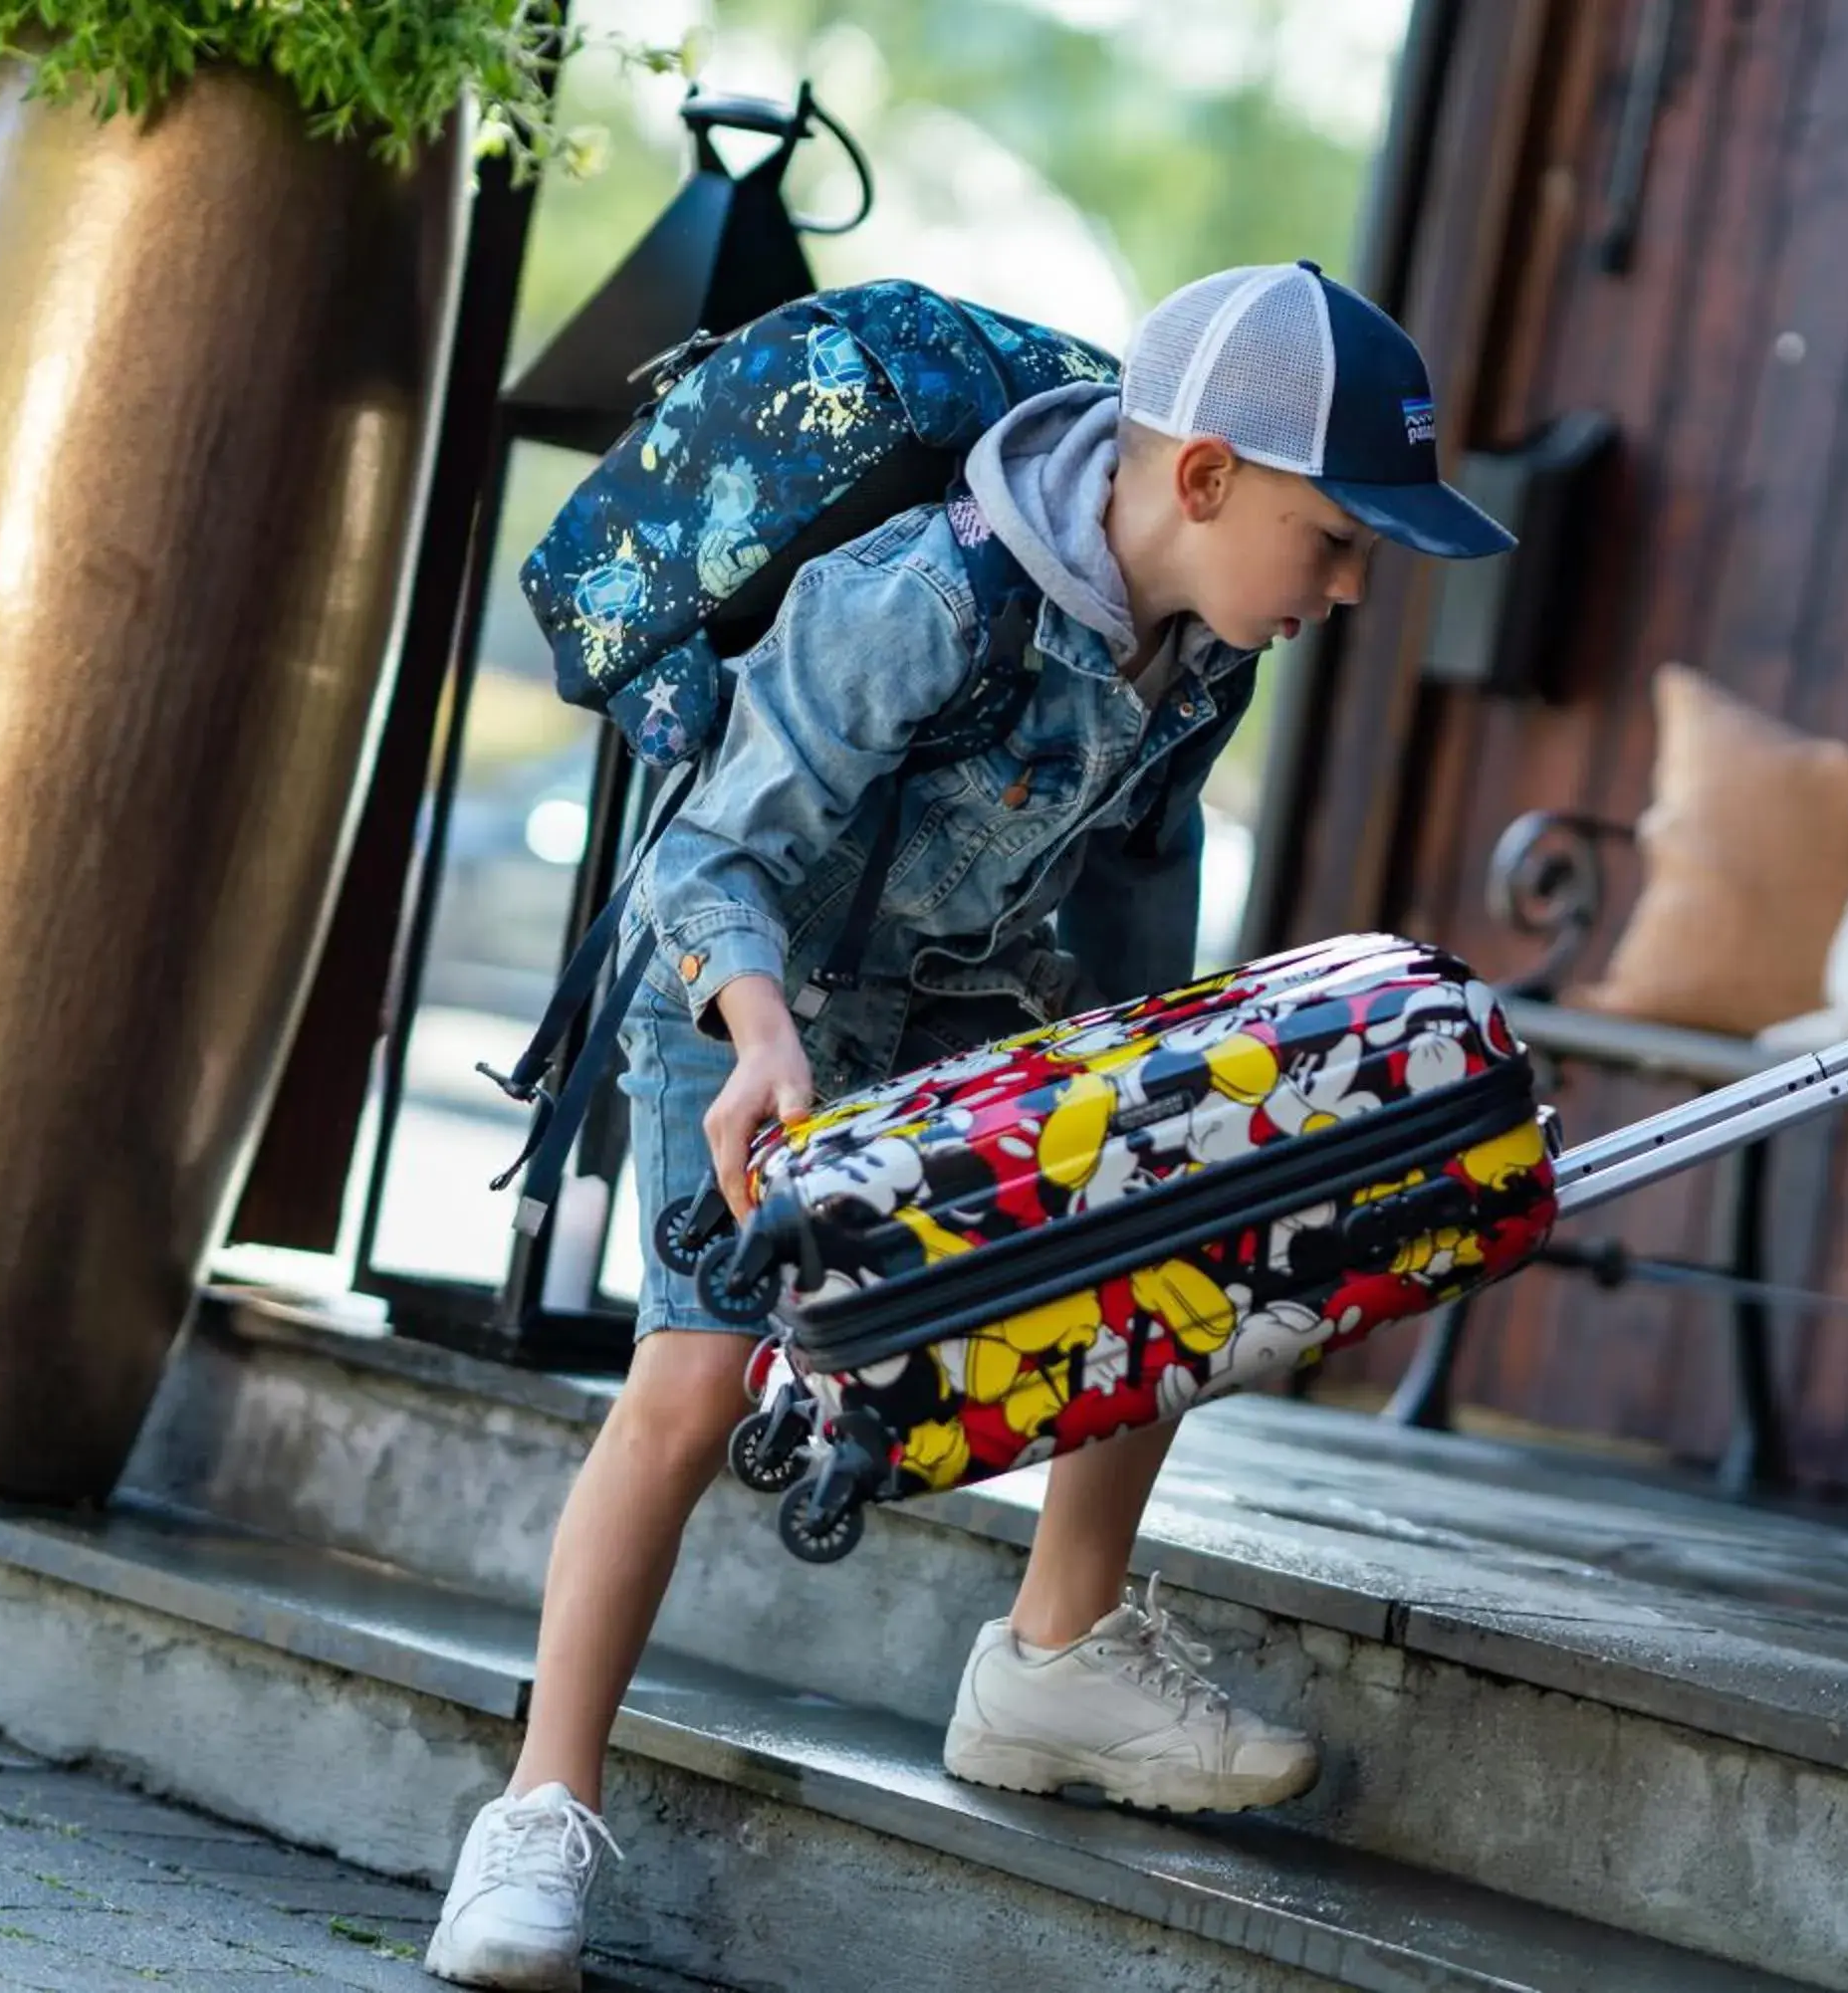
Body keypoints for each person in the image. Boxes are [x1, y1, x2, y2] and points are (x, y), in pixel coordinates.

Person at [425, 261, 1512, 1988]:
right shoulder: (929, 595)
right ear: (1207, 477)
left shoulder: (1203, 661)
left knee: (1170, 1215)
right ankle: (535, 1816)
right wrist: (761, 1038)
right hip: (743, 985)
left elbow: (1137, 912)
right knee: (699, 1379)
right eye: (1336, 537)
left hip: (949, 984)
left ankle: (1056, 1650)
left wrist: (1165, 1103)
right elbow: (717, 851)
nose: (1355, 585)